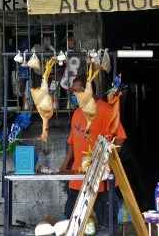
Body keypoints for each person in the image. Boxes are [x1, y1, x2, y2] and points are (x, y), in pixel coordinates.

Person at [60, 76, 127, 230]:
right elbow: (71, 142)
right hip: (77, 179)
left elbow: (120, 138)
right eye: (74, 92)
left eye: (77, 92)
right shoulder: (77, 113)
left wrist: (108, 160)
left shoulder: (106, 110)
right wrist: (64, 166)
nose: (75, 96)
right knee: (71, 224)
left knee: (106, 226)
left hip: (101, 181)